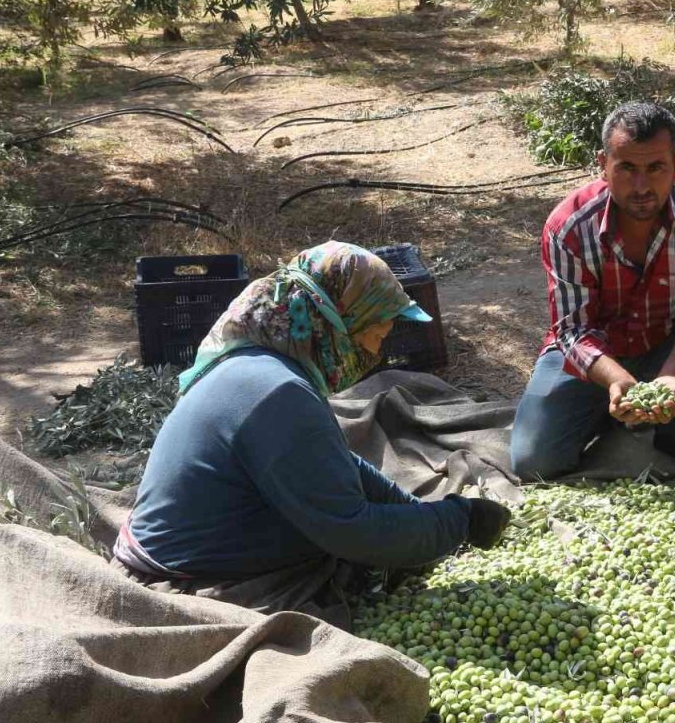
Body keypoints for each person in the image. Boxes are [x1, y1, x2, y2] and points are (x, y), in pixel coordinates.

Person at [112, 241, 511, 621]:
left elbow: (335, 463)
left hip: (189, 549)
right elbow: (354, 531)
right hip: (184, 580)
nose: (378, 352)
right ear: (337, 323)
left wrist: (411, 510)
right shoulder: (278, 394)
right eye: (376, 333)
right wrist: (459, 520)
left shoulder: (260, 366)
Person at [510, 101, 675, 479]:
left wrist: (671, 378)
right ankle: (618, 422)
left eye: (656, 168)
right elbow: (573, 330)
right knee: (533, 463)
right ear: (603, 165)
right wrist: (615, 380)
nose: (641, 187)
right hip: (593, 359)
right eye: (626, 168)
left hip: (668, 346)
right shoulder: (570, 226)